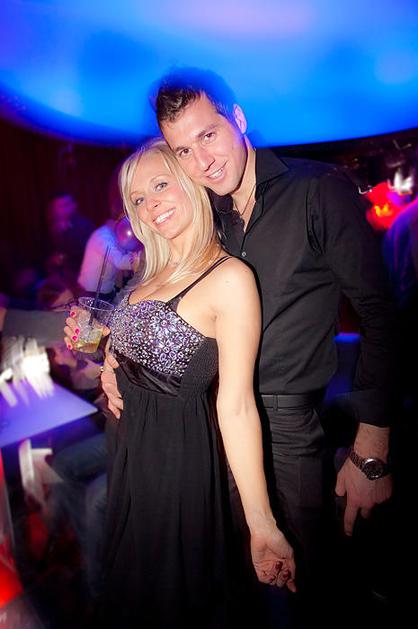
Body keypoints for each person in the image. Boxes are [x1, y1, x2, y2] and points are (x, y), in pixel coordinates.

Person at [100, 68, 396, 627]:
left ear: (237, 119)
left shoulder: (317, 190)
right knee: (231, 588)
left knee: (307, 585)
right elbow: (159, 298)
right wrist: (118, 360)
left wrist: (371, 449)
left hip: (285, 429)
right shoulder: (202, 211)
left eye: (208, 135)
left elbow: (383, 315)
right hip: (206, 428)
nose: (202, 161)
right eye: (183, 151)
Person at [64, 138, 296, 627]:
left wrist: (261, 522)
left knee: (170, 600)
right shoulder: (146, 274)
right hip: (129, 446)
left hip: (175, 460)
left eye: (160, 185)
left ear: (190, 182)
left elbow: (237, 406)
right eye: (138, 198)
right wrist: (105, 360)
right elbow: (134, 349)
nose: (151, 205)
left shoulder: (229, 278)